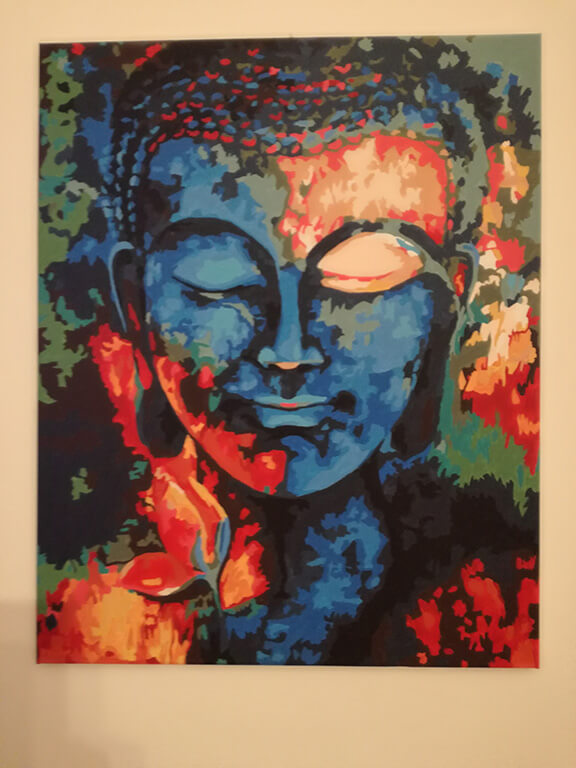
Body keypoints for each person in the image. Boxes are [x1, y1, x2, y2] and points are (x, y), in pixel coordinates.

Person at [38, 37, 539, 666]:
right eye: (219, 279)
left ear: (445, 310)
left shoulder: (505, 610)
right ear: (137, 305)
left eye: (363, 278)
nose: (288, 350)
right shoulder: (74, 617)